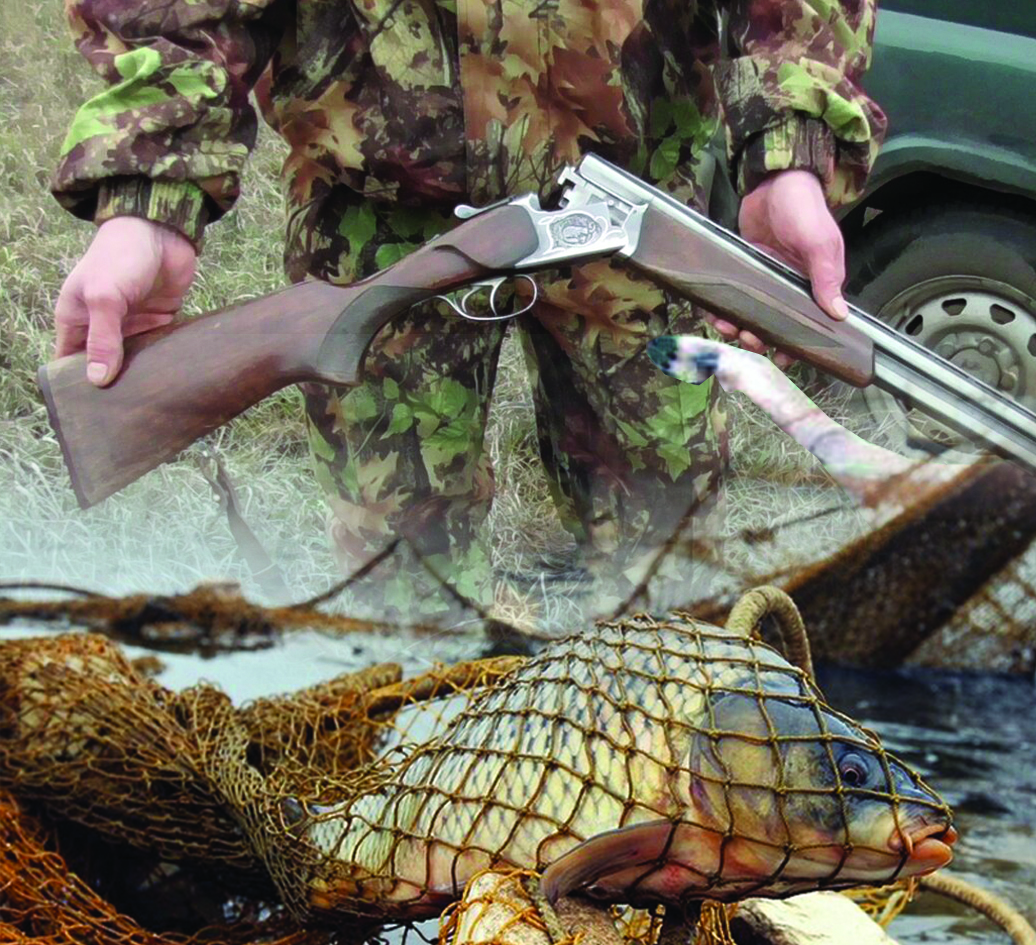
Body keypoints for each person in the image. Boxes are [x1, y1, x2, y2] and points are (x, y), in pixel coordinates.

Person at [50, 0, 887, 625]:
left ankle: (661, 790)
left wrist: (789, 150)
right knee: (399, 580)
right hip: (373, 204)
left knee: (669, 553)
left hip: (635, 203)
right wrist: (148, 197)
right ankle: (422, 789)